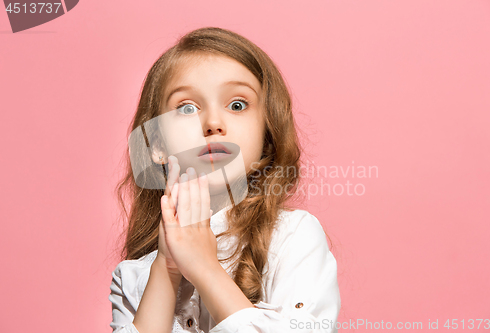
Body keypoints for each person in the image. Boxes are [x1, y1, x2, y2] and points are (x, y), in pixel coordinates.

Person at [109, 27, 341, 333]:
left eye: (237, 105)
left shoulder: (294, 238)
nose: (214, 123)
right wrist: (167, 268)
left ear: (266, 141)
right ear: (157, 145)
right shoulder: (131, 277)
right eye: (187, 107)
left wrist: (204, 268)